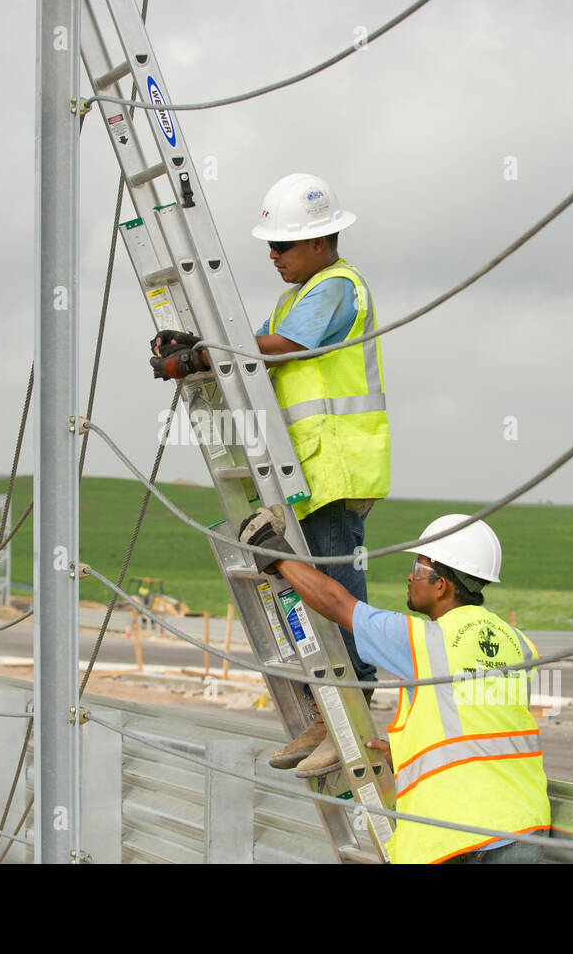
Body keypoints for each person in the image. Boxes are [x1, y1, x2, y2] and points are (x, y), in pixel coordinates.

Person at [150, 173, 390, 777]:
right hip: (303, 469)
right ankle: (324, 713)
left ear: (318, 241)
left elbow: (273, 347)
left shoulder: (335, 288)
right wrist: (202, 346)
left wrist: (203, 354)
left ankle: (354, 715)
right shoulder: (300, 293)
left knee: (337, 593)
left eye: (282, 246)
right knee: (304, 593)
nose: (273, 256)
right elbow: (254, 347)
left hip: (333, 467)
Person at [239, 509, 550, 864]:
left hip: (464, 834)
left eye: (417, 568)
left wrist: (272, 551)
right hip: (526, 825)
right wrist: (406, 751)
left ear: (441, 584)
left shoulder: (422, 639)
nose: (409, 575)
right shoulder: (518, 643)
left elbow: (338, 603)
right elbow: (481, 721)